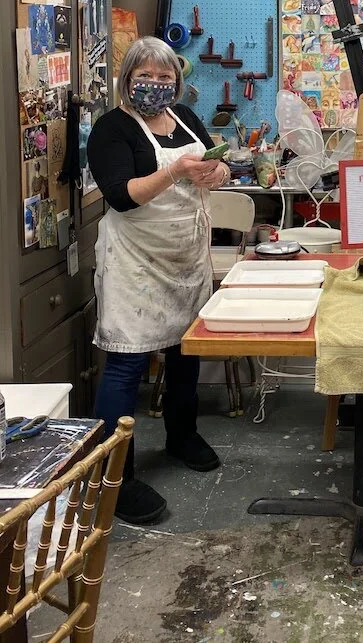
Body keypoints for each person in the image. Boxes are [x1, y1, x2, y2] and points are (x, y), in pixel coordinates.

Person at [87, 36, 231, 525]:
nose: (155, 85)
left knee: (185, 353)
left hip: (185, 257)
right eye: (144, 77)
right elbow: (123, 196)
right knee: (127, 364)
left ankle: (181, 435)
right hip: (135, 262)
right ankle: (115, 476)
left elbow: (212, 164)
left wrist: (217, 172)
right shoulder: (111, 129)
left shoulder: (186, 119)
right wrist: (174, 172)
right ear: (127, 80)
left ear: (178, 83)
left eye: (165, 78)